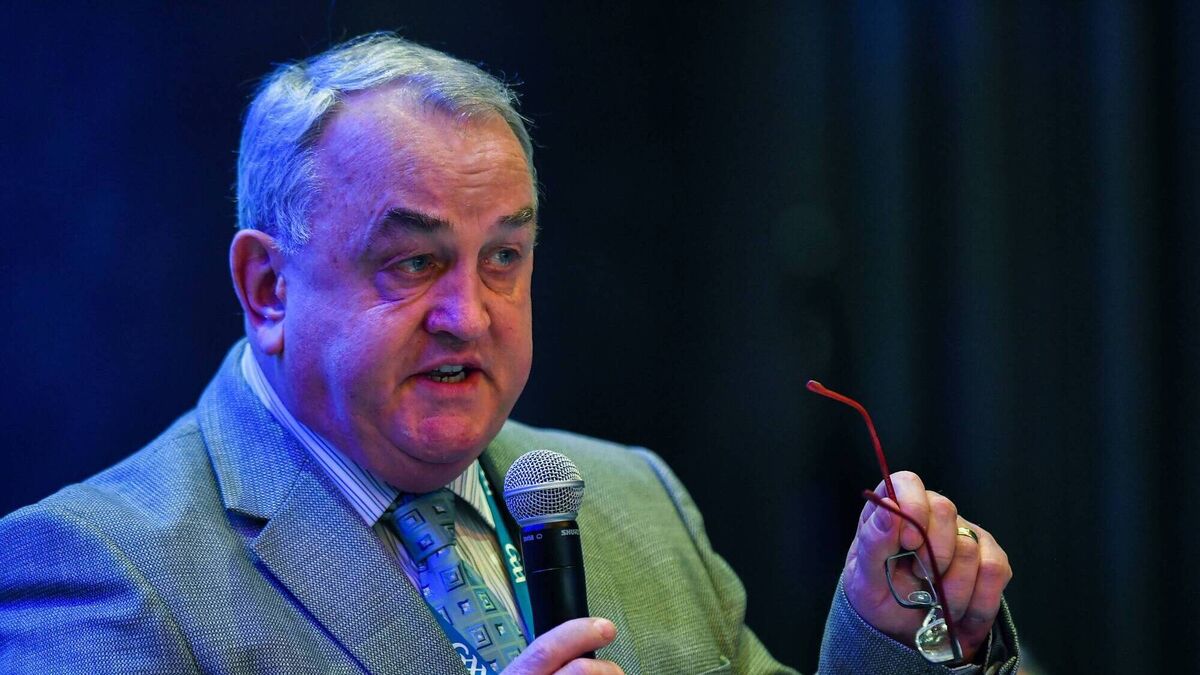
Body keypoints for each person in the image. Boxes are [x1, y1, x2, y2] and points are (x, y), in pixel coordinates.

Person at [0, 33, 1018, 674]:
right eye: (412, 262)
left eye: (504, 258)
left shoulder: (633, 501)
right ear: (269, 288)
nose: (470, 315)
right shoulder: (93, 570)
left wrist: (898, 641)